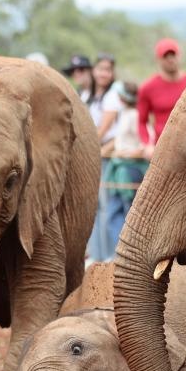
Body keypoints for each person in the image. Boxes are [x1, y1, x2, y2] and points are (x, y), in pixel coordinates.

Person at [75, 54, 122, 264]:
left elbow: (102, 131)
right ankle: (95, 254)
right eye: (101, 69)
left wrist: (86, 147)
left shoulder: (112, 96)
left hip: (105, 155)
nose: (103, 73)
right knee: (92, 207)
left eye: (108, 69)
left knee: (106, 207)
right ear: (94, 71)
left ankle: (109, 255)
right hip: (90, 154)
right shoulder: (88, 95)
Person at [104, 82, 148, 247]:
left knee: (128, 212)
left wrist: (125, 153)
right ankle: (120, 249)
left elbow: (143, 144)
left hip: (130, 168)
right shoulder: (125, 114)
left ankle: (128, 249)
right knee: (115, 212)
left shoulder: (135, 116)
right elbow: (119, 140)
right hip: (118, 167)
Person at [137, 38, 186, 156]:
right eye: (166, 56)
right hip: (161, 149)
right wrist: (147, 145)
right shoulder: (147, 88)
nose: (170, 59)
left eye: (173, 55)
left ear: (179, 56)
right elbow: (141, 122)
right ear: (158, 59)